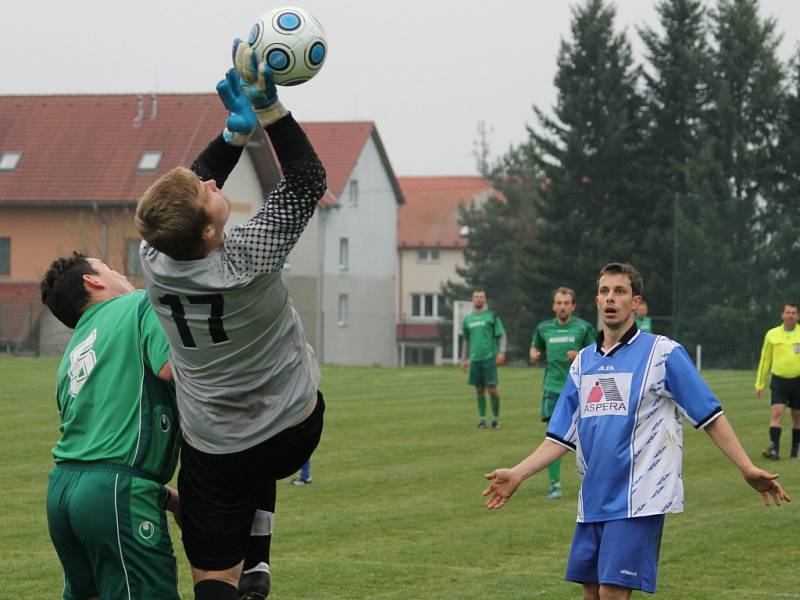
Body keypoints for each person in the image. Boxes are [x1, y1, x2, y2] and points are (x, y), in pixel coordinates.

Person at [135, 45, 325, 600]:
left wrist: (230, 139)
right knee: (260, 443)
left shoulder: (154, 261)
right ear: (210, 234)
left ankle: (250, 560)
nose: (213, 183)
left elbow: (177, 205)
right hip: (292, 429)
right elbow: (307, 179)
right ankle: (258, 565)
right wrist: (270, 113)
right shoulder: (247, 259)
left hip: (213, 446)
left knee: (213, 582)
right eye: (209, 193)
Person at [483, 262, 790, 599]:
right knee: (591, 593)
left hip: (640, 498)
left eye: (620, 291)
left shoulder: (664, 353)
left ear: (636, 302)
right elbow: (559, 437)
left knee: (612, 592)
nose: (610, 298)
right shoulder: (583, 362)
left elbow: (710, 416)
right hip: (594, 497)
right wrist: (518, 474)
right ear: (597, 301)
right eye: (604, 291)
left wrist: (746, 467)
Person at [41, 252, 182, 600]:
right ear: (94, 281)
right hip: (114, 492)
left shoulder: (72, 353)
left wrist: (165, 497)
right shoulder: (140, 304)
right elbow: (171, 368)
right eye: (109, 267)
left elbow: (96, 448)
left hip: (62, 494)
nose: (121, 273)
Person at [530, 286, 596, 500]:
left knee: (587, 437)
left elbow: (598, 354)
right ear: (553, 306)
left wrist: (579, 355)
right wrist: (533, 352)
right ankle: (555, 484)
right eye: (559, 303)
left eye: (566, 303)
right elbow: (536, 344)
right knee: (553, 436)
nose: (562, 306)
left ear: (573, 306)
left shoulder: (584, 328)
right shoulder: (543, 328)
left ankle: (592, 482)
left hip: (579, 389)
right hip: (551, 388)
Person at [755, 303, 800, 460]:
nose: (790, 315)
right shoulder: (772, 334)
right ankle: (774, 448)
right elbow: (765, 360)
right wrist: (759, 384)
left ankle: (795, 450)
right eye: (788, 312)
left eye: (793, 313)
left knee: (797, 416)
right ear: (782, 315)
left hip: (798, 381)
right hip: (779, 381)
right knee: (777, 412)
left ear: (798, 316)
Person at [460, 289, 507, 429]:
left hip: (489, 358)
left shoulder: (491, 316)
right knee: (479, 390)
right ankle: (481, 419)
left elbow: (502, 335)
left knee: (492, 389)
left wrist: (501, 352)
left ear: (485, 299)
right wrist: (464, 359)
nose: (479, 299)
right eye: (476, 297)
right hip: (475, 360)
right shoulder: (468, 320)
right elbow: (466, 341)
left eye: (481, 297)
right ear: (472, 299)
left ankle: (496, 418)